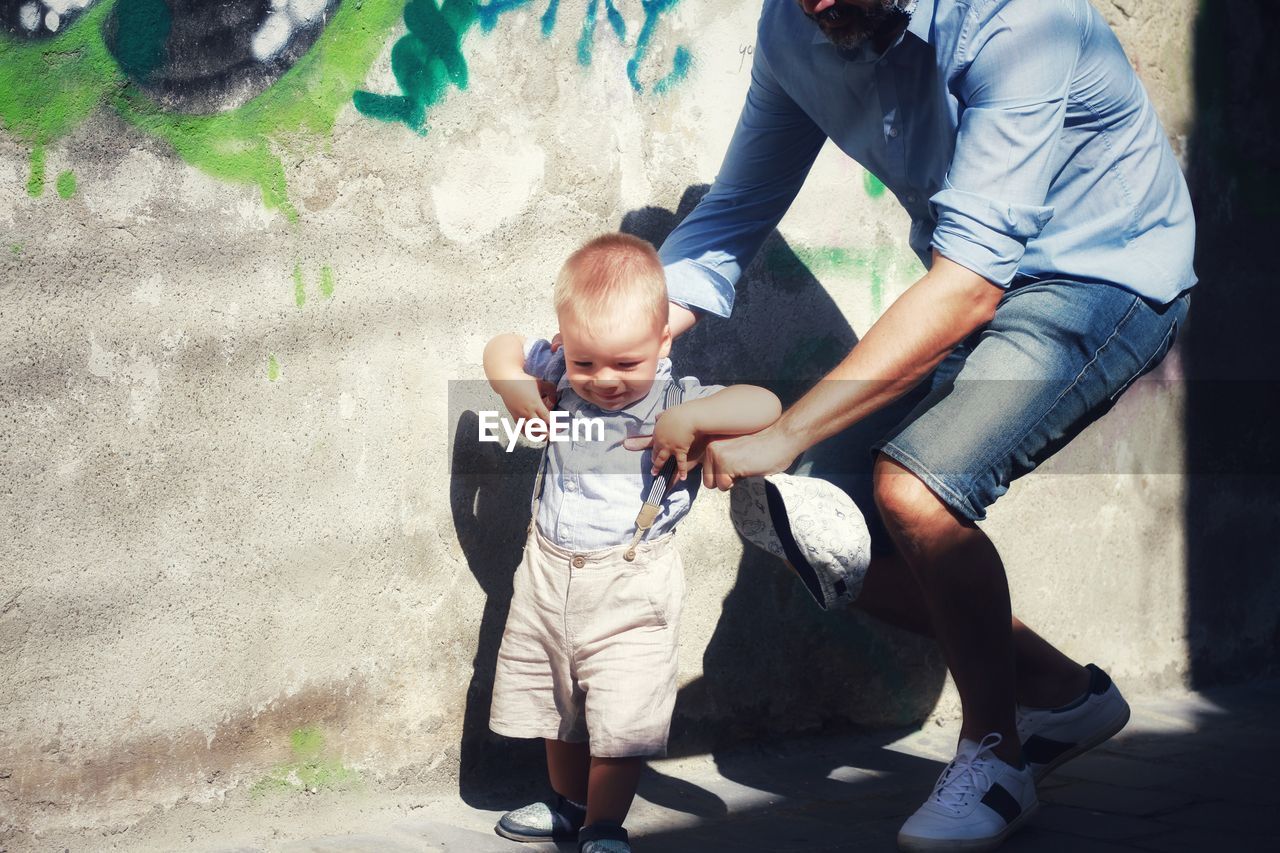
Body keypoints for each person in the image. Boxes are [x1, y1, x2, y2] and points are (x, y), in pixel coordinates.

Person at [656, 1, 1196, 850]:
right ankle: (1064, 693)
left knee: (914, 489)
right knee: (808, 515)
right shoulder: (793, 29)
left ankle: (997, 757)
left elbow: (970, 282)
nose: (815, 4)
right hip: (980, 281)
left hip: (1103, 273)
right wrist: (604, 341)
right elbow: (735, 209)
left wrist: (788, 428)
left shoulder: (1021, 20)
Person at [483, 233, 782, 853]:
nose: (605, 380)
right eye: (586, 363)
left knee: (622, 715)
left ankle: (604, 825)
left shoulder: (679, 397)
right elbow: (502, 348)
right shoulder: (558, 380)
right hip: (547, 570)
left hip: (633, 582)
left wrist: (695, 420)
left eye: (627, 364)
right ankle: (566, 803)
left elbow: (766, 403)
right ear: (563, 345)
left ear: (663, 341)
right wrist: (515, 387)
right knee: (556, 702)